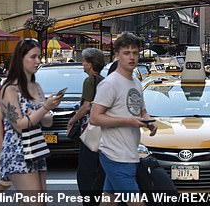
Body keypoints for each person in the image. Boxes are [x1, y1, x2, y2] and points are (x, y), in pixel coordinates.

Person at [90, 33, 157, 204]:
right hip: (114, 155)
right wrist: (128, 121)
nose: (132, 57)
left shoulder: (136, 82)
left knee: (109, 201)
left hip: (130, 153)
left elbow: (141, 111)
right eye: (126, 53)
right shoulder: (110, 84)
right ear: (117, 55)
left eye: (135, 52)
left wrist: (149, 122)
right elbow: (95, 118)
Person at [0, 38, 63, 199]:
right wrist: (44, 109)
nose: (37, 61)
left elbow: (48, 122)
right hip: (17, 151)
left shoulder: (37, 87)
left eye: (39, 57)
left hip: (36, 148)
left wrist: (42, 112)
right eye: (33, 57)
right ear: (21, 59)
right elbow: (19, 125)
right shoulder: (9, 89)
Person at [66, 48, 106, 205]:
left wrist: (72, 120)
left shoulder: (90, 81)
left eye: (84, 61)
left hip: (91, 131)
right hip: (101, 130)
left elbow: (86, 107)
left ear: (90, 64)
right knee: (96, 169)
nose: (82, 64)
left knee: (85, 171)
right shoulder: (103, 80)